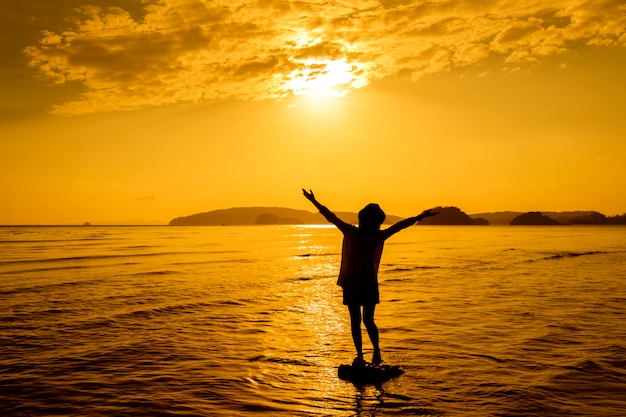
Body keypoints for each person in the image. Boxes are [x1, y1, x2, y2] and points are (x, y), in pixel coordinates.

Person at [302, 189, 438, 366]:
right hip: (357, 283)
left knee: (365, 320)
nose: (373, 221)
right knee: (359, 320)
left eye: (375, 218)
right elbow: (331, 217)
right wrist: (314, 201)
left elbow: (399, 226)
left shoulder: (370, 235)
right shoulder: (360, 233)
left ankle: (373, 352)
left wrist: (419, 217)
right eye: (372, 218)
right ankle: (362, 354)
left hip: (362, 283)